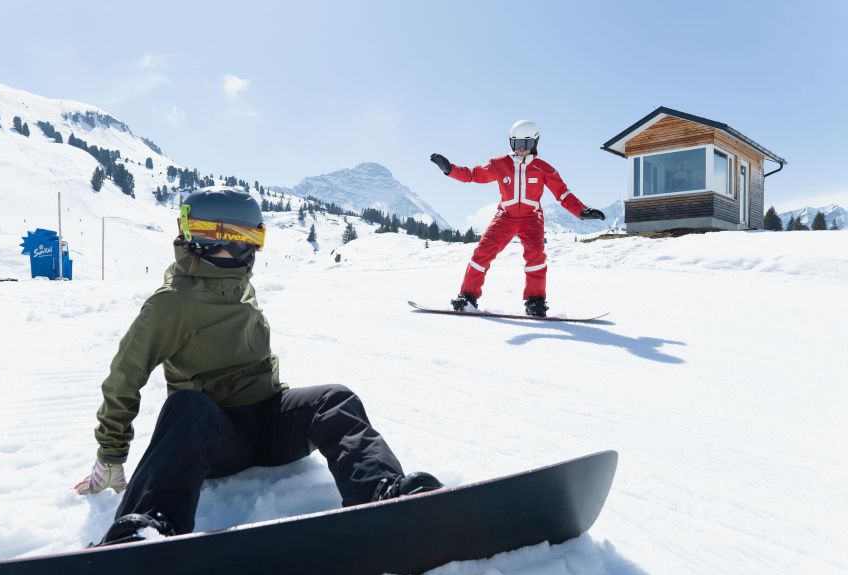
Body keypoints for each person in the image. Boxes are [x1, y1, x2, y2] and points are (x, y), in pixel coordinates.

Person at [75, 186, 442, 546]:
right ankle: (149, 529)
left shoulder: (240, 285)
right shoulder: (171, 304)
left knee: (336, 398)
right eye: (219, 237)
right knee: (185, 406)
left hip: (269, 427)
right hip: (218, 440)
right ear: (193, 238)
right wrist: (110, 454)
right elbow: (125, 377)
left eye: (246, 238)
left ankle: (382, 493)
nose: (234, 250)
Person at [431, 120, 606, 317]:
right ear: (511, 143)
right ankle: (467, 296)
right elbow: (473, 175)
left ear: (536, 143)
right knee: (482, 253)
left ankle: (535, 301)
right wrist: (450, 169)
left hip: (532, 219)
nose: (522, 149)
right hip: (505, 216)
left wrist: (581, 211)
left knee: (536, 258)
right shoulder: (499, 164)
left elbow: (562, 193)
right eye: (517, 144)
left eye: (527, 144)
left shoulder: (543, 168)